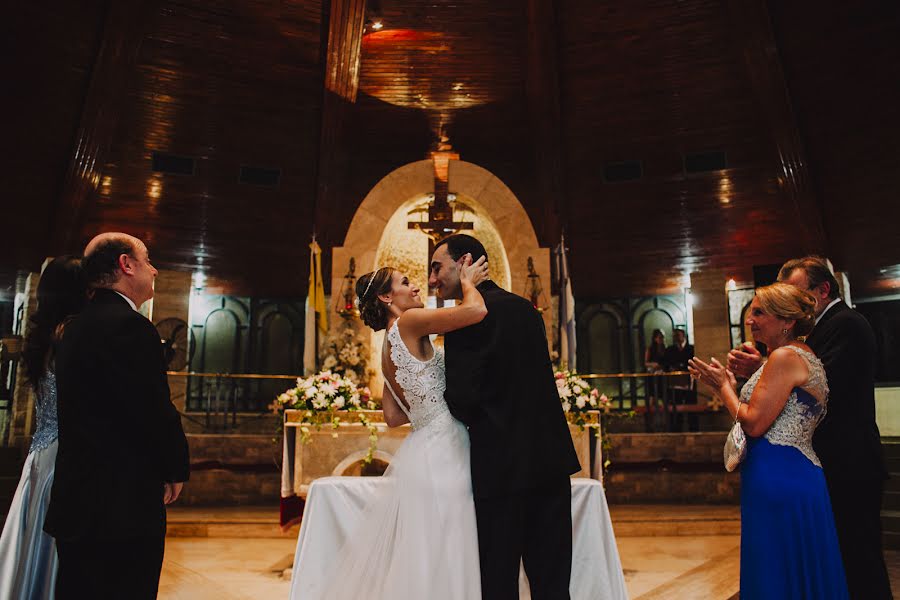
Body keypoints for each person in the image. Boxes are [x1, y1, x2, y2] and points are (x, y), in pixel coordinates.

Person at [294, 253, 490, 599]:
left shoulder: (387, 347)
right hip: (445, 446)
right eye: (405, 282)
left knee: (430, 546)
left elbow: (393, 417)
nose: (416, 286)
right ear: (386, 297)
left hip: (424, 448)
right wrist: (468, 284)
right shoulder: (410, 322)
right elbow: (475, 312)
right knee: (454, 537)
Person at [728, 256, 891, 599]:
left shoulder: (848, 323)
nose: (792, 301)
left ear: (822, 290)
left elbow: (822, 385)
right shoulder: (811, 335)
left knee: (860, 559)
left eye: (796, 292)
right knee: (829, 559)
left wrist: (765, 373)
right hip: (816, 461)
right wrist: (765, 371)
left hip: (849, 461)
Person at [432, 234, 581, 600]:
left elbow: (463, 399)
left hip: (500, 469)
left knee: (498, 582)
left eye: (437, 267)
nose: (432, 278)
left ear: (464, 261)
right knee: (552, 582)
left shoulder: (464, 318)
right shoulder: (525, 309)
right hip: (549, 463)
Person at [44, 233, 190, 600]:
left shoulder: (74, 326)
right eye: (147, 260)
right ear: (126, 265)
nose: (154, 269)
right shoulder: (130, 327)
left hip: (78, 500)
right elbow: (152, 409)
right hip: (120, 507)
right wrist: (175, 468)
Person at [690, 283, 848, 599]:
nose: (751, 319)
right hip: (794, 471)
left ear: (786, 321)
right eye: (751, 312)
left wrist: (723, 387)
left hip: (778, 475)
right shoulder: (798, 356)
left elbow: (754, 423)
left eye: (759, 312)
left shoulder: (784, 357)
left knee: (775, 567)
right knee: (793, 567)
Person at [0, 256, 86, 600]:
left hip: (40, 454)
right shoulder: (71, 336)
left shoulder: (44, 337)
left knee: (33, 534)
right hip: (62, 456)